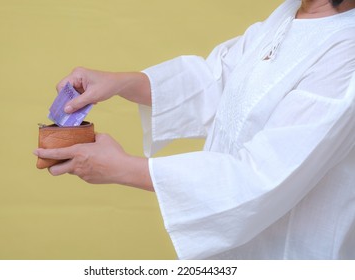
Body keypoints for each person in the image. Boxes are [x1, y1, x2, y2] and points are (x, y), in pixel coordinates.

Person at [34, 0, 355, 259]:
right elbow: (220, 80)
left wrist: (123, 168)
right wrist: (120, 83)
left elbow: (263, 178)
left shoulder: (346, 52)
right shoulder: (290, 13)